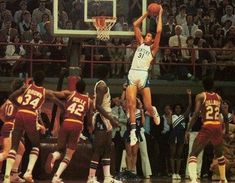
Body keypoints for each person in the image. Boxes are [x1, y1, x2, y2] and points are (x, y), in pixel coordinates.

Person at [3, 71, 64, 183]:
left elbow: (11, 97)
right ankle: (28, 172)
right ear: (43, 81)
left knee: (14, 147)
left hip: (20, 113)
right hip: (31, 115)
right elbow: (59, 103)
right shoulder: (45, 92)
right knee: (36, 146)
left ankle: (7, 177)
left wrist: (19, 105)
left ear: (34, 79)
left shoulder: (26, 87)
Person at [126, 6, 163, 146]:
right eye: (146, 35)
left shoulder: (153, 49)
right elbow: (135, 25)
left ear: (152, 40)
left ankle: (153, 111)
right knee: (131, 104)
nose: (146, 36)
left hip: (143, 74)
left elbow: (159, 31)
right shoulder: (140, 43)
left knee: (147, 107)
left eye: (149, 36)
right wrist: (146, 13)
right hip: (132, 72)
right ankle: (133, 132)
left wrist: (160, 13)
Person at [45, 79, 93, 183]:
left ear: (75, 87)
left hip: (66, 122)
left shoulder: (69, 93)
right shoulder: (89, 100)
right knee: (69, 154)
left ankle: (54, 156)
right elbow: (89, 122)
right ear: (85, 89)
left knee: (60, 149)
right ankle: (56, 176)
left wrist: (42, 90)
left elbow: (53, 93)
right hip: (77, 124)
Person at [185, 78, 228, 183]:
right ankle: (223, 178)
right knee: (219, 154)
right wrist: (225, 130)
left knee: (193, 153)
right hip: (218, 126)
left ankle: (194, 179)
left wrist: (188, 129)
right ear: (213, 86)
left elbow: (195, 114)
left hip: (208, 125)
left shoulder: (201, 96)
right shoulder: (218, 97)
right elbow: (226, 115)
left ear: (203, 86)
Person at [87, 64, 121, 183]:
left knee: (107, 148)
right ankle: (91, 177)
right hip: (102, 117)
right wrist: (111, 119)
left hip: (106, 117)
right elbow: (98, 105)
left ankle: (107, 177)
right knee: (98, 148)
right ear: (107, 73)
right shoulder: (101, 85)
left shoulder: (102, 85)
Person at [0, 79, 25, 183]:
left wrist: (6, 121)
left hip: (8, 125)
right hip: (11, 127)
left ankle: (13, 175)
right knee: (6, 153)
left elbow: (1, 111)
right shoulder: (20, 98)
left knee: (21, 149)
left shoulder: (8, 100)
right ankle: (11, 176)